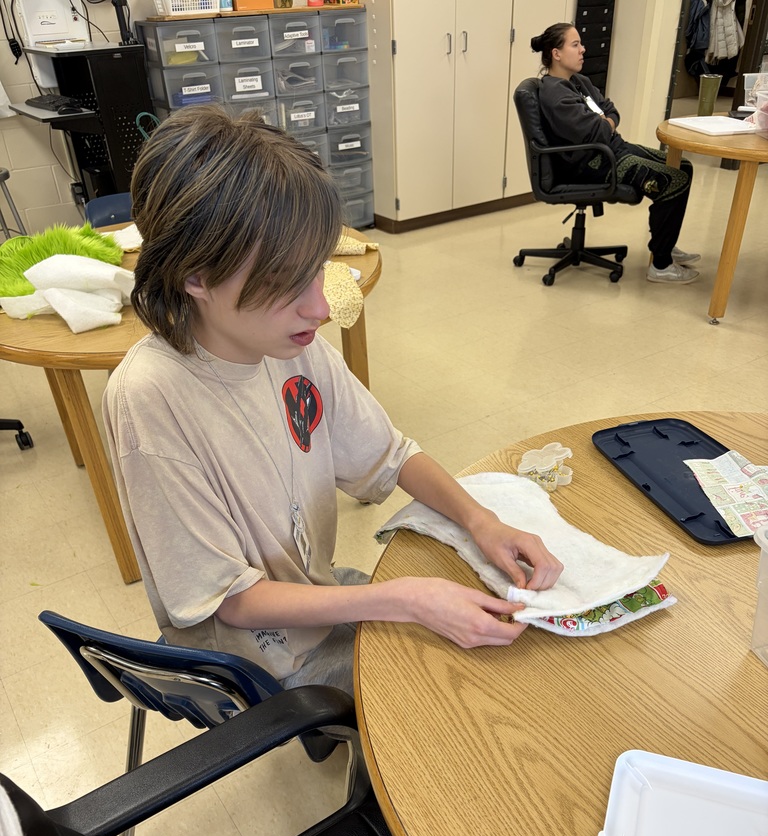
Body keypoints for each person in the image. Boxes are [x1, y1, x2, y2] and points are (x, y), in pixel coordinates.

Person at [103, 106, 563, 695]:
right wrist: (405, 599)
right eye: (288, 285)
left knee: (498, 641)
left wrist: (483, 521)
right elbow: (232, 603)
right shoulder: (151, 397)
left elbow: (392, 456)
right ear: (196, 276)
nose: (320, 308)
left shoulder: (295, 346)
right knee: (467, 702)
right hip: (252, 660)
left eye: (316, 274)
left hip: (314, 596)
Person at [531, 23, 700, 285]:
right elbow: (597, 131)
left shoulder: (579, 82)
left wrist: (605, 121)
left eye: (581, 44)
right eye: (575, 45)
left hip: (611, 149)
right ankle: (661, 265)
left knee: (684, 166)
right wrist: (605, 123)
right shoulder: (554, 94)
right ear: (556, 54)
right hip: (592, 163)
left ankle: (665, 243)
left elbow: (611, 110)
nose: (583, 49)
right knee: (672, 180)